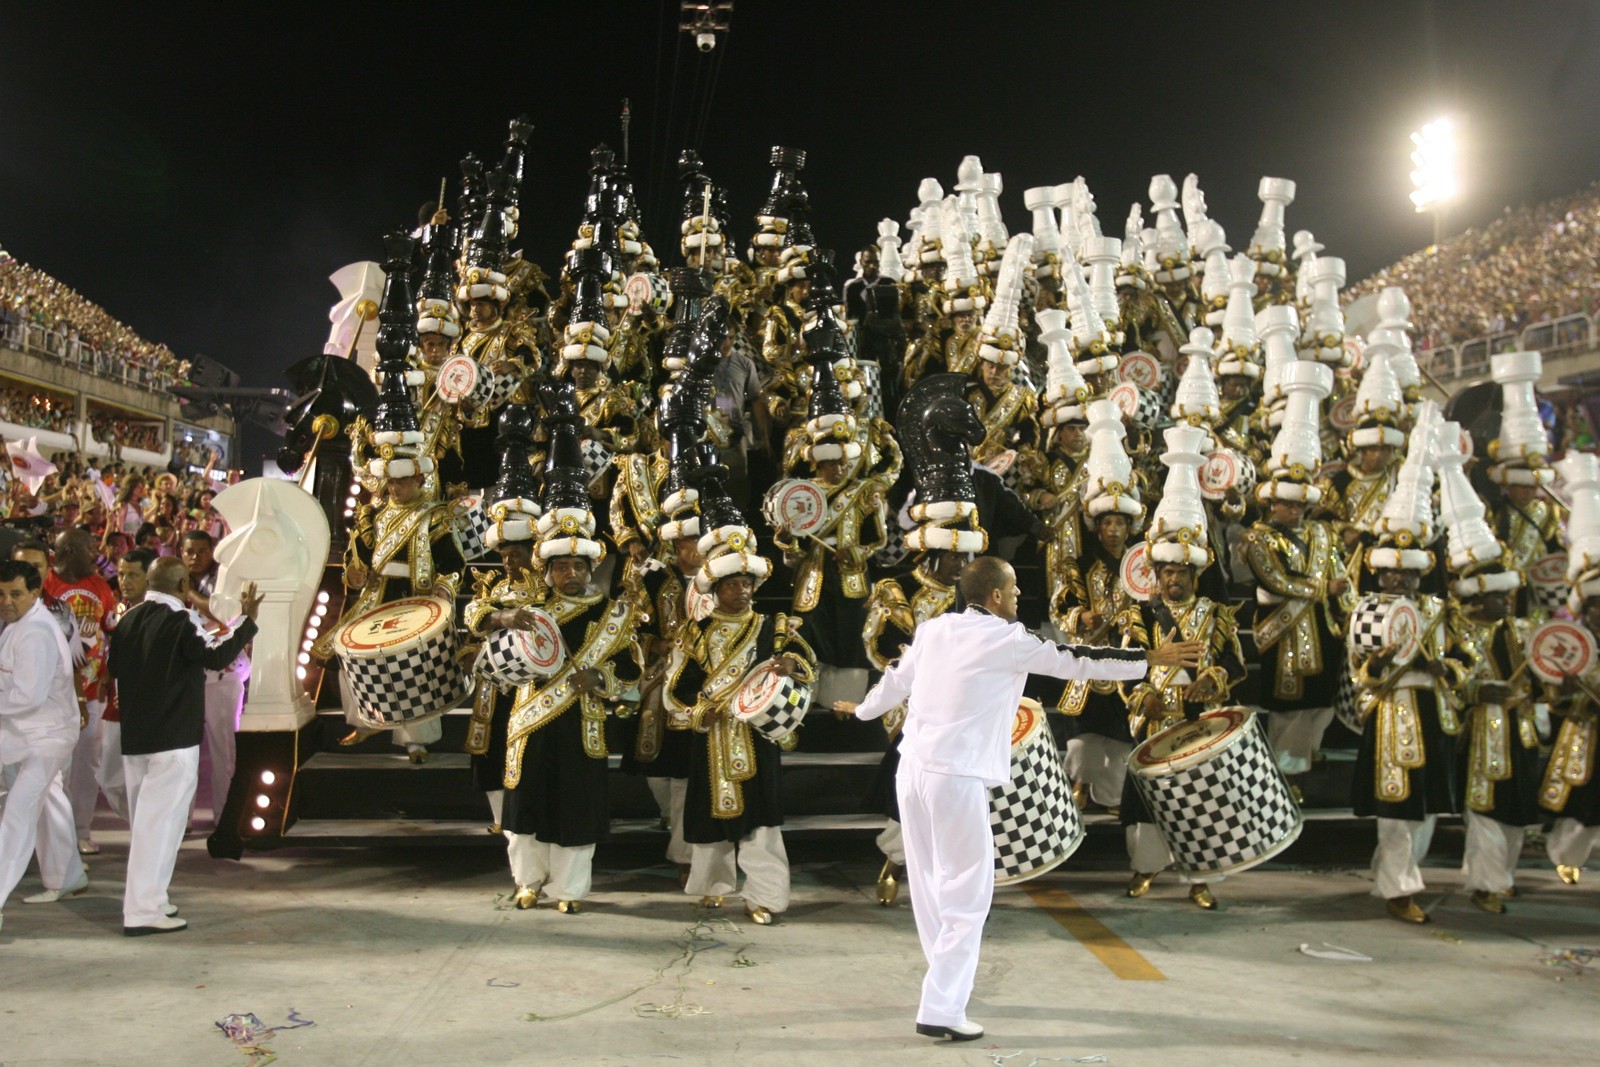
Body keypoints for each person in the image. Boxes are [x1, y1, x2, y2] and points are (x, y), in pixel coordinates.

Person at [842, 556, 1202, 1041]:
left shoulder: (934, 630)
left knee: (930, 886)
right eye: (1013, 591)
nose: (1017, 599)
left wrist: (863, 712)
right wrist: (1148, 660)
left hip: (912, 771)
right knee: (969, 894)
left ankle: (944, 991)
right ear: (994, 596)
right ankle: (942, 1007)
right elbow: (1077, 659)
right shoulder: (1008, 640)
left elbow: (896, 681)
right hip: (955, 777)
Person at [107, 558, 260, 935]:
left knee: (152, 828)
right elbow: (217, 655)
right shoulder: (181, 621)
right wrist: (246, 620)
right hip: (171, 742)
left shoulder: (128, 619)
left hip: (136, 740)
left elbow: (113, 668)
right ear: (183, 585)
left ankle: (153, 901)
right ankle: (142, 912)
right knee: (159, 830)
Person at [0, 559, 86, 934]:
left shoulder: (34, 631)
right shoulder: (19, 624)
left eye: (15, 594)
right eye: (1, 594)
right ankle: (67, 875)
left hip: (43, 737)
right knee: (43, 804)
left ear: (35, 593)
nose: (6, 601)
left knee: (18, 814)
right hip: (24, 734)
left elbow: (27, 696)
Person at [180, 530, 250, 823]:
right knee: (182, 754)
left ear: (213, 552)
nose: (195, 557)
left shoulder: (225, 578)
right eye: (189, 552)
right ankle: (180, 820)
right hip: (187, 677)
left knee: (223, 751)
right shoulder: (175, 578)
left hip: (224, 674)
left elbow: (223, 612)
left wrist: (189, 594)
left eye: (201, 551)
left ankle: (224, 816)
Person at [97, 547, 158, 820]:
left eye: (133, 574)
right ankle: (141, 826)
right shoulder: (123, 609)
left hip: (150, 711)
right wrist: (109, 676)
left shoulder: (164, 615)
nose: (124, 580)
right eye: (121, 574)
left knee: (145, 779)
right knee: (109, 777)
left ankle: (149, 833)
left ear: (150, 577)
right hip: (118, 703)